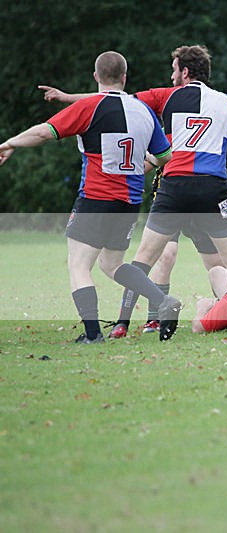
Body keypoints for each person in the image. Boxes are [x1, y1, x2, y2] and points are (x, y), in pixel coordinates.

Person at [42, 45, 227, 339]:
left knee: (143, 260)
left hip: (173, 188)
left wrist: (67, 97)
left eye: (174, 69)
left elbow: (113, 101)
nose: (171, 75)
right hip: (213, 190)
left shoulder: (165, 96)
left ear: (184, 72)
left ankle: (122, 324)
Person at [0, 51, 174, 343]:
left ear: (96, 77)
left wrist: (9, 143)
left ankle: (92, 334)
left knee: (79, 264)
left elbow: (45, 132)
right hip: (129, 202)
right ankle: (163, 301)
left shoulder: (91, 106)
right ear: (124, 78)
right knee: (112, 264)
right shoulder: (142, 110)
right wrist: (147, 164)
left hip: (96, 198)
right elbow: (165, 154)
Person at [108, 138, 227, 338]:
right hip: (171, 200)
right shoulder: (172, 134)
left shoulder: (222, 139)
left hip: (205, 203)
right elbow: (144, 166)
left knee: (217, 266)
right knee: (164, 255)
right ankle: (139, 319)